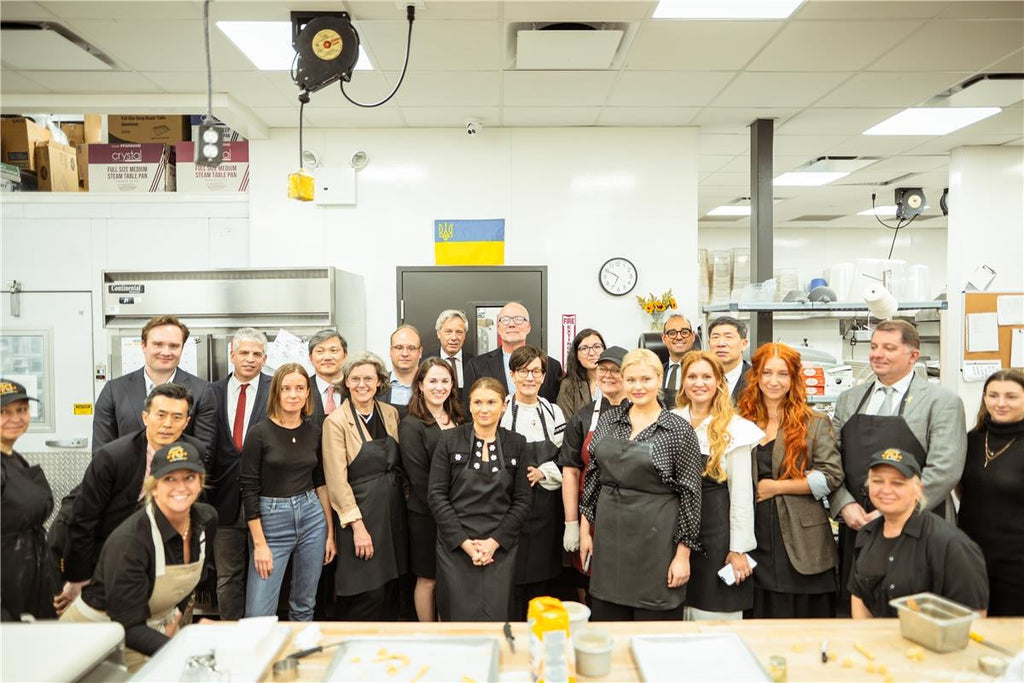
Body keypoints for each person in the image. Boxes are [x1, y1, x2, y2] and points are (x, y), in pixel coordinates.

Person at [831, 320, 966, 615]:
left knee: (917, 614)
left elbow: (945, 470)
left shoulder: (942, 402)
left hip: (920, 524)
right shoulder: (848, 400)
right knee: (861, 610)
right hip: (859, 524)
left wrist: (892, 511)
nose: (877, 354)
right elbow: (831, 461)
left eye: (889, 348)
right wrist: (844, 504)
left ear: (913, 355)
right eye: (874, 346)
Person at [60, 441, 217, 670]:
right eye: (169, 479)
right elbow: (128, 627)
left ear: (200, 482)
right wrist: (184, 647)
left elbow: (188, 581)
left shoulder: (206, 521)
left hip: (147, 631)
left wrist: (175, 617)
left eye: (189, 477)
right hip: (95, 639)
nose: (181, 487)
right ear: (153, 487)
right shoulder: (131, 542)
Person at [579, 349, 703, 621]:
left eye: (646, 379)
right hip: (609, 539)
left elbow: (691, 496)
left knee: (654, 627)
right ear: (623, 381)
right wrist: (585, 531)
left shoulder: (678, 429)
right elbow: (593, 478)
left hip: (657, 542)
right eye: (631, 379)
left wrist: (683, 555)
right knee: (608, 623)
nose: (638, 387)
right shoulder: (609, 421)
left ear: (659, 379)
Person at [57, 384, 200, 614]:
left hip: (165, 561)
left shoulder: (194, 454)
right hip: (110, 555)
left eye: (177, 417)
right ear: (145, 417)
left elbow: (194, 520)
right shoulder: (113, 457)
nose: (167, 424)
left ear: (186, 422)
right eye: (161, 415)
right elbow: (83, 520)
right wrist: (79, 579)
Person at [738, 343, 845, 619]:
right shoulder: (740, 422)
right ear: (756, 376)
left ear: (794, 377)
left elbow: (832, 476)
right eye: (767, 373)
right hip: (754, 537)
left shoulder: (814, 422)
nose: (774, 381)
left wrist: (777, 487)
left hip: (802, 541)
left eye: (782, 374)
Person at [428, 377, 531, 621]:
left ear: (504, 405)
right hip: (456, 546)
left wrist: (494, 542)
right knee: (458, 618)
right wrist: (465, 543)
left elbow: (522, 500)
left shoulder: (517, 443)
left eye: (491, 402)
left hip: (500, 547)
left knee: (498, 617)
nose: (484, 409)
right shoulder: (449, 440)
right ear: (469, 405)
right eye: (478, 402)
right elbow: (437, 496)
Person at [672, 351, 763, 620]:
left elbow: (742, 495)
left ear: (720, 382)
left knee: (714, 618)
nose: (699, 383)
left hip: (717, 538)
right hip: (672, 536)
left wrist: (738, 549)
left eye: (707, 377)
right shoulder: (670, 421)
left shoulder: (736, 429)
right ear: (683, 382)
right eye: (692, 376)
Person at [241, 363, 335, 621]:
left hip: (312, 518)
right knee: (258, 614)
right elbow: (249, 489)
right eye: (286, 389)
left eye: (300, 388)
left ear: (308, 393)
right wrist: (259, 544)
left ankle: (298, 647)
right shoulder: (259, 433)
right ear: (276, 393)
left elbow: (320, 482)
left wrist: (330, 534)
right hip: (271, 522)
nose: (293, 395)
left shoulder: (314, 431)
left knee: (305, 605)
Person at [849, 448, 988, 618]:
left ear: (919, 490)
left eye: (897, 483)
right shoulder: (865, 535)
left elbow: (974, 615)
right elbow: (859, 597)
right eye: (877, 481)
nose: (886, 490)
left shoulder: (950, 544)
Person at [322, 352, 407, 620]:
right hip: (360, 514)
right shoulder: (336, 422)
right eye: (355, 378)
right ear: (346, 382)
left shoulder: (390, 413)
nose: (362, 385)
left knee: (392, 587)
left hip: (392, 513)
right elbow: (336, 481)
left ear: (379, 382)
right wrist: (357, 527)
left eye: (369, 378)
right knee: (367, 592)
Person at [92, 315, 217, 464]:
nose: (166, 352)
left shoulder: (202, 392)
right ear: (143, 345)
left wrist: (168, 476)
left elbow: (204, 454)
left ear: (182, 348)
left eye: (174, 346)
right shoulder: (114, 391)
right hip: (125, 478)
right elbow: (102, 453)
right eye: (158, 344)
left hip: (178, 477)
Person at [209, 328, 271, 620]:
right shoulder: (211, 392)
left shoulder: (276, 390)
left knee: (265, 573)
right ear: (232, 354)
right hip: (223, 500)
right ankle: (231, 633)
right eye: (244, 353)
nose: (250, 359)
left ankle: (262, 632)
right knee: (228, 576)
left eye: (257, 354)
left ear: (265, 359)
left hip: (267, 499)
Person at [500, 346, 567, 619]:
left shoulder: (553, 412)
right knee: (510, 580)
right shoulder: (500, 409)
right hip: (508, 506)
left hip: (546, 509)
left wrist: (543, 472)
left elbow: (565, 457)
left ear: (543, 376)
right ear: (512, 374)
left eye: (536, 372)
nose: (530, 377)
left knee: (543, 581)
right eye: (523, 371)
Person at [398, 358, 465, 621]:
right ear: (420, 385)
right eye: (433, 381)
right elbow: (419, 478)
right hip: (427, 515)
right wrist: (447, 511)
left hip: (462, 512)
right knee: (429, 578)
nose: (439, 387)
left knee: (453, 577)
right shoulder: (411, 425)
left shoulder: (461, 418)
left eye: (445, 381)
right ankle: (428, 631)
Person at [559, 345, 627, 588]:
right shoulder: (583, 417)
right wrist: (572, 523)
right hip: (590, 515)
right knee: (589, 580)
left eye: (615, 370)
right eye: (602, 369)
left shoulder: (642, 413)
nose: (608, 375)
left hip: (629, 513)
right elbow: (570, 472)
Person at [958, 369, 1024, 616]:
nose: (1000, 403)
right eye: (993, 395)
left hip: (1016, 562)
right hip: (969, 555)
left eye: (1011, 396)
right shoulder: (972, 439)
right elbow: (964, 490)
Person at [1, 379, 58, 621]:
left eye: (22, 410)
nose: (15, 418)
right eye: (4, 412)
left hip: (29, 579)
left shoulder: (14, 458)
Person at [463, 302, 562, 404]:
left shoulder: (552, 366)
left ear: (528, 327)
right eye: (505, 320)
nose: (511, 325)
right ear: (498, 328)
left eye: (518, 319)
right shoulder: (476, 366)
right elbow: (469, 407)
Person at [556, 328, 606, 420]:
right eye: (584, 348)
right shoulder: (568, 386)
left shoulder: (616, 381)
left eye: (597, 347)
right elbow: (566, 423)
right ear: (576, 355)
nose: (591, 353)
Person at [425, 310, 476, 392]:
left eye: (459, 332)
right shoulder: (425, 362)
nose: (454, 338)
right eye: (448, 332)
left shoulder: (474, 363)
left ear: (464, 335)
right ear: (438, 334)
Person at [308, 329, 349, 423]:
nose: (327, 357)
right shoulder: (303, 389)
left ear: (345, 355)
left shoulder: (355, 388)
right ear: (310, 358)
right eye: (320, 351)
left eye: (334, 350)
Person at [707, 316, 751, 403]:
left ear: (744, 344)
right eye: (715, 337)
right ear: (709, 344)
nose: (721, 344)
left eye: (728, 337)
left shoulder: (756, 380)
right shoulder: (699, 378)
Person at [383, 325, 423, 412]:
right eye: (399, 348)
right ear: (390, 351)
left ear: (420, 352)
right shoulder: (377, 386)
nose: (405, 354)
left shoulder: (431, 386)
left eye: (411, 348)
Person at [661, 314, 697, 394]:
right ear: (664, 338)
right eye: (672, 333)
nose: (679, 337)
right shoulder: (657, 372)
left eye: (684, 332)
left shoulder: (703, 370)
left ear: (693, 336)